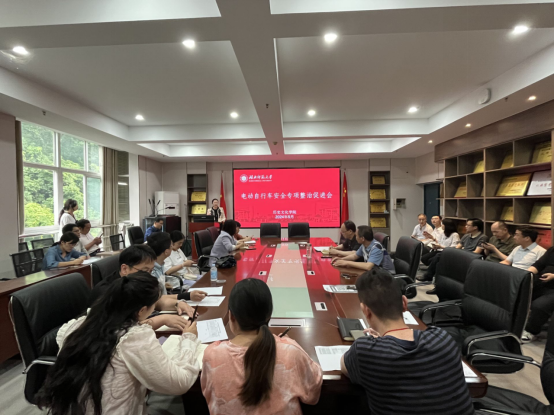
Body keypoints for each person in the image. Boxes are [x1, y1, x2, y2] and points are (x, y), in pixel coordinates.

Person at [36, 272, 200, 414]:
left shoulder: (79, 325)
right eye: (153, 307)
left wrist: (160, 320)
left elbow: (117, 331)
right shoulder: (134, 339)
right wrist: (189, 339)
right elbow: (178, 383)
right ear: (142, 311)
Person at [340, 268, 474, 414]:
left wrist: (377, 342)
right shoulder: (443, 338)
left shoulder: (365, 351)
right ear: (404, 302)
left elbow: (344, 365)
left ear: (365, 310)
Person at [201, 278, 322, 414]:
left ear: (232, 316)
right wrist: (292, 345)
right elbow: (313, 394)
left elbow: (208, 395)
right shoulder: (291, 352)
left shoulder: (212, 354)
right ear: (269, 315)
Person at [89, 244, 206, 330]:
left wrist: (177, 303)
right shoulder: (108, 292)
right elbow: (124, 330)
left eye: (150, 271)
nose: (148, 276)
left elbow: (156, 301)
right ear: (125, 269)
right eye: (144, 271)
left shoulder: (134, 283)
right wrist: (163, 319)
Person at [419, 218, 487, 292]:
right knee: (440, 258)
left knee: (440, 257)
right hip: (461, 255)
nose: (466, 226)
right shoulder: (466, 236)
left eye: (468, 225)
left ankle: (430, 277)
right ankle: (438, 286)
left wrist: (461, 252)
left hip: (470, 258)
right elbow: (458, 247)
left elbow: (476, 252)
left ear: (475, 227)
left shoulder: (482, 237)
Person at [521, 245, 554, 343]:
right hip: (542, 282)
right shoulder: (552, 250)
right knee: (519, 292)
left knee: (539, 305)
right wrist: (527, 274)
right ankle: (514, 323)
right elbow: (538, 265)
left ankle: (531, 331)